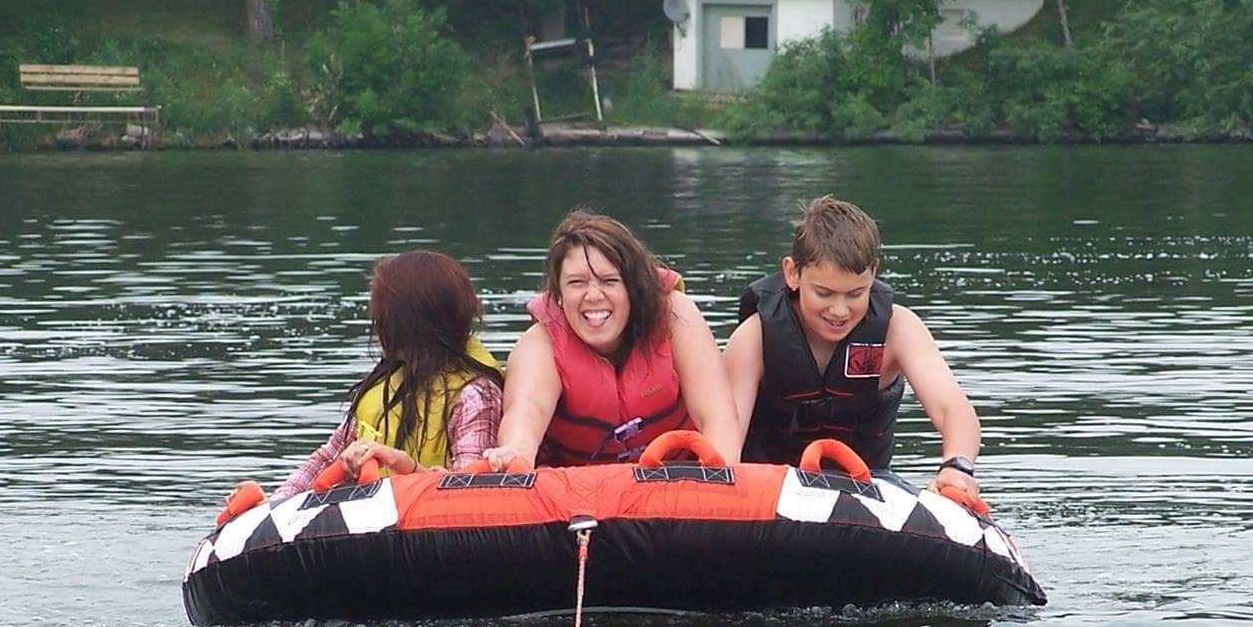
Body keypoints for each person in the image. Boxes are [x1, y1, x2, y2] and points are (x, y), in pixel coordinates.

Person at [722, 196, 981, 499]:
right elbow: (726, 432)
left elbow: (953, 409)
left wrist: (957, 467)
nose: (839, 310)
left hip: (870, 482)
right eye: (824, 293)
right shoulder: (754, 338)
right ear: (792, 273)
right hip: (766, 487)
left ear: (874, 272)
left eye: (855, 294)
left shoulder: (899, 329)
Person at [483, 210, 742, 469]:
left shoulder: (676, 315)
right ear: (558, 296)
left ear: (633, 288)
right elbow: (527, 411)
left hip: (678, 479)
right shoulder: (539, 344)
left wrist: (717, 473)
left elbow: (716, 416)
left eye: (609, 281)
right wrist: (516, 453)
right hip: (578, 487)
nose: (594, 295)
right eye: (577, 282)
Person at [274, 249, 503, 495]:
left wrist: (401, 463)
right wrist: (276, 502)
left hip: (432, 516)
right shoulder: (383, 385)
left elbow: (468, 490)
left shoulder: (474, 394)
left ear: (401, 325)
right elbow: (327, 457)